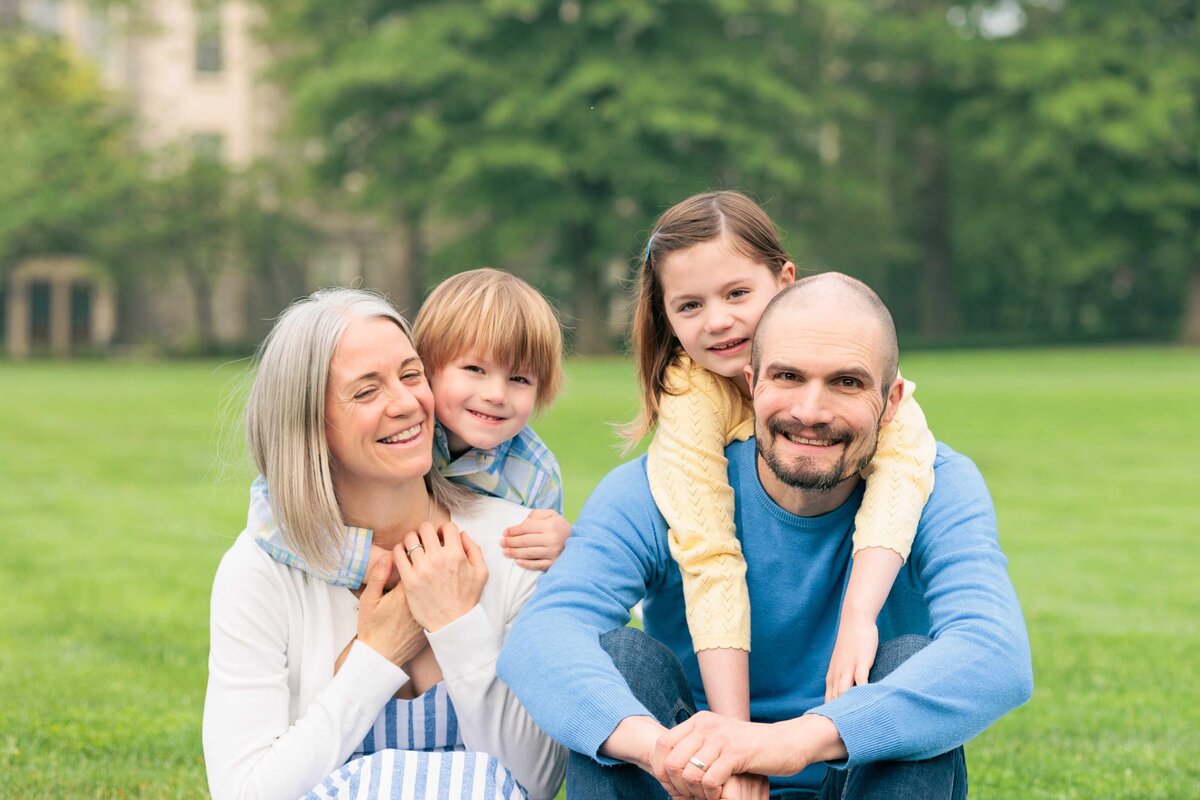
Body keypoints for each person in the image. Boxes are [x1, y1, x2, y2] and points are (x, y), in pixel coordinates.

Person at [498, 273, 1033, 799]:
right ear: (752, 383)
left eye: (847, 382)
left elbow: (995, 655)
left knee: (912, 662)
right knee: (621, 657)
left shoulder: (939, 485)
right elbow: (542, 636)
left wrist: (791, 742)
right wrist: (667, 752)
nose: (810, 411)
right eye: (788, 377)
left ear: (892, 402)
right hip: (699, 786)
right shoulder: (664, 487)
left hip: (852, 780)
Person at [203, 288, 565, 800]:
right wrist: (377, 655)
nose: (406, 404)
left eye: (411, 375)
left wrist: (457, 625)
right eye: (367, 391)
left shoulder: (516, 543)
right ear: (309, 425)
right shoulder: (259, 572)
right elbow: (245, 792)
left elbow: (535, 783)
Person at [620, 191, 937, 726]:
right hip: (718, 678)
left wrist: (859, 615)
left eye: (737, 293)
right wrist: (737, 738)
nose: (717, 321)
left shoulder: (857, 364)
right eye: (690, 305)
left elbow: (903, 471)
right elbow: (708, 554)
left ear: (784, 281)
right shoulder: (689, 397)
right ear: (667, 316)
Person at [248, 268, 571, 585]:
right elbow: (271, 509)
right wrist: (370, 564)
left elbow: (542, 579)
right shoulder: (409, 432)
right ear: (428, 365)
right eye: (475, 369)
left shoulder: (535, 473)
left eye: (519, 379)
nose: (496, 395)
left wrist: (563, 543)